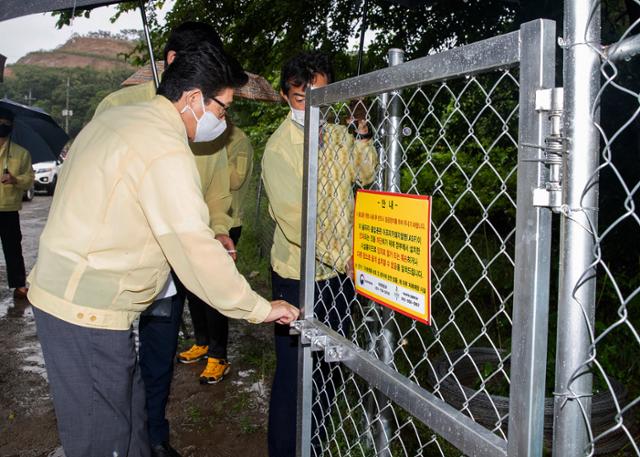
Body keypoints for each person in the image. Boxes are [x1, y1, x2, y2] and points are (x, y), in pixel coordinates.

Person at [28, 38, 299, 457]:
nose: (223, 122)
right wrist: (261, 308)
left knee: (130, 419)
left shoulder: (117, 118)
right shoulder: (164, 148)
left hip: (71, 296)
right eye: (222, 108)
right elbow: (191, 246)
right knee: (104, 439)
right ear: (192, 98)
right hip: (88, 312)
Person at [93, 22, 236, 456]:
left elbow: (217, 194)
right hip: (119, 268)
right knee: (116, 364)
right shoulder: (119, 108)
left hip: (173, 271)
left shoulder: (211, 125)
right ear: (175, 62)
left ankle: (154, 435)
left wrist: (219, 230)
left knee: (158, 360)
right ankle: (121, 441)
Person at [261, 51, 377, 457]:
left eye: (321, 96)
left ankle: (314, 446)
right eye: (300, 97)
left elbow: (366, 174)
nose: (310, 105)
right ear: (284, 96)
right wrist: (343, 255)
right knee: (295, 378)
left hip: (339, 277)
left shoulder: (337, 136)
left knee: (329, 370)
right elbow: (295, 224)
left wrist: (360, 127)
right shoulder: (279, 150)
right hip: (298, 276)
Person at [177, 122, 254, 386]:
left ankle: (218, 356)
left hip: (227, 224)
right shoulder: (198, 138)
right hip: (199, 223)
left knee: (215, 288)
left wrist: (210, 162)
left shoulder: (238, 140)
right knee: (194, 287)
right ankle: (202, 343)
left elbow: (235, 179)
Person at [0, 107, 34, 299]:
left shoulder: (21, 153)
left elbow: (29, 179)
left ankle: (19, 283)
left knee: (13, 247)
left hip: (8, 208)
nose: (2, 127)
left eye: (6, 123)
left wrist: (15, 179)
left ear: (11, 126)